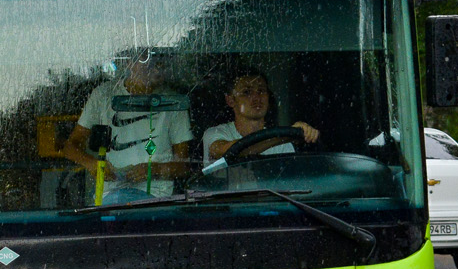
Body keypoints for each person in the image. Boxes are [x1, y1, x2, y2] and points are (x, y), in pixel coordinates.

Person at [62, 50, 194, 204]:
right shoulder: (103, 95)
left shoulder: (173, 102)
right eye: (145, 60)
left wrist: (152, 171)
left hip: (156, 200)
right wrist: (93, 164)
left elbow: (184, 166)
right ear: (129, 62)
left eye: (159, 62)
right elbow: (70, 147)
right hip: (107, 197)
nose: (153, 68)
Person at [202, 70, 320, 164]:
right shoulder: (215, 133)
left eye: (261, 91)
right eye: (246, 92)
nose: (256, 98)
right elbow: (224, 152)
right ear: (231, 100)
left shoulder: (283, 145)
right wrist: (285, 135)